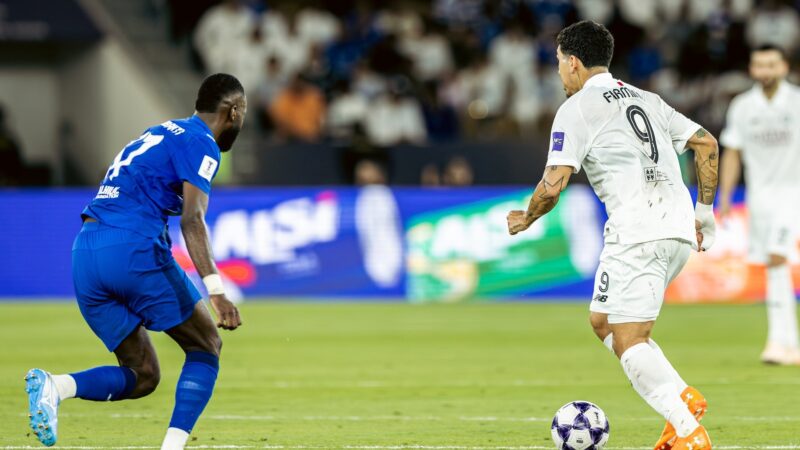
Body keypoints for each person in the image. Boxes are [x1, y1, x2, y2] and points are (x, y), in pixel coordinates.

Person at [506, 21, 719, 450]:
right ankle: (683, 399)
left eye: (558, 64)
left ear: (573, 62)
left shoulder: (578, 108)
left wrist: (526, 218)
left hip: (638, 230)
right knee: (603, 321)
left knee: (630, 337)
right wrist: (705, 212)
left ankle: (687, 431)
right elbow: (706, 143)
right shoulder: (647, 98)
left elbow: (554, 182)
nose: (560, 74)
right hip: (676, 227)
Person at [24, 74, 246, 450]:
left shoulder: (158, 131)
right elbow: (192, 219)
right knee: (207, 344)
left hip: (86, 252)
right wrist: (216, 290)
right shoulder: (201, 142)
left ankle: (57, 386)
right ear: (234, 111)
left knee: (143, 375)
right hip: (132, 247)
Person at [718, 45, 800, 366]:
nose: (765, 71)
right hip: (759, 197)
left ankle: (779, 343)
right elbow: (733, 151)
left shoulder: (796, 101)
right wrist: (725, 196)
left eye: (771, 65)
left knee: (778, 258)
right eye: (759, 65)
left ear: (784, 67)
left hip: (793, 193)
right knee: (771, 264)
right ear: (752, 70)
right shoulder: (742, 106)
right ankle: (787, 343)